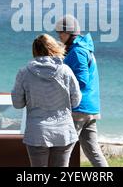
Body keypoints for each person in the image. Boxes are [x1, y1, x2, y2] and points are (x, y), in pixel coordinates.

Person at [12, 34, 82, 167]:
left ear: (34, 51)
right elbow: (76, 100)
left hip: (37, 131)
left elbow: (17, 103)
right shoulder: (66, 71)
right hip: (64, 131)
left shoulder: (24, 72)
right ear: (54, 48)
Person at [55, 15, 109, 167]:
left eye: (62, 32)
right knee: (92, 150)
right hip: (89, 107)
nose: (59, 35)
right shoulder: (81, 48)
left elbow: (82, 80)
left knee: (63, 149)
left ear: (71, 34)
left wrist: (59, 88)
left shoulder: (78, 51)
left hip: (78, 108)